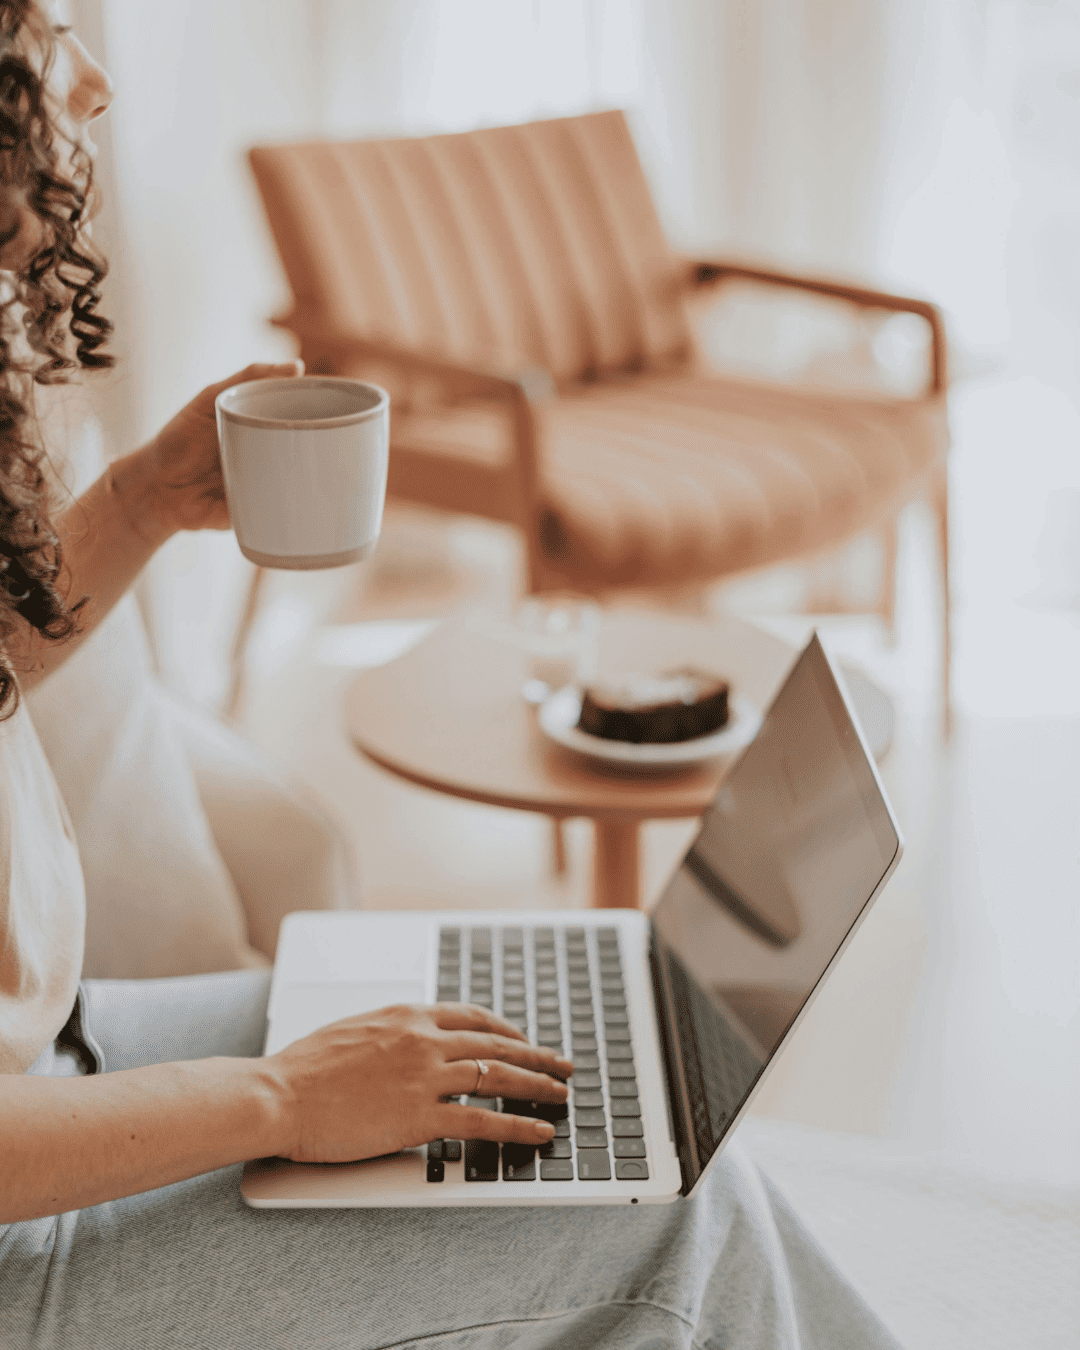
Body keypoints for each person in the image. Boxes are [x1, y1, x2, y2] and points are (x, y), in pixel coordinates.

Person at [0, 4, 902, 1346]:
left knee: (579, 1060)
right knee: (670, 1216)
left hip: (60, 1061)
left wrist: (138, 501)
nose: (92, 80)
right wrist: (286, 1098)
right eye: (35, 32)